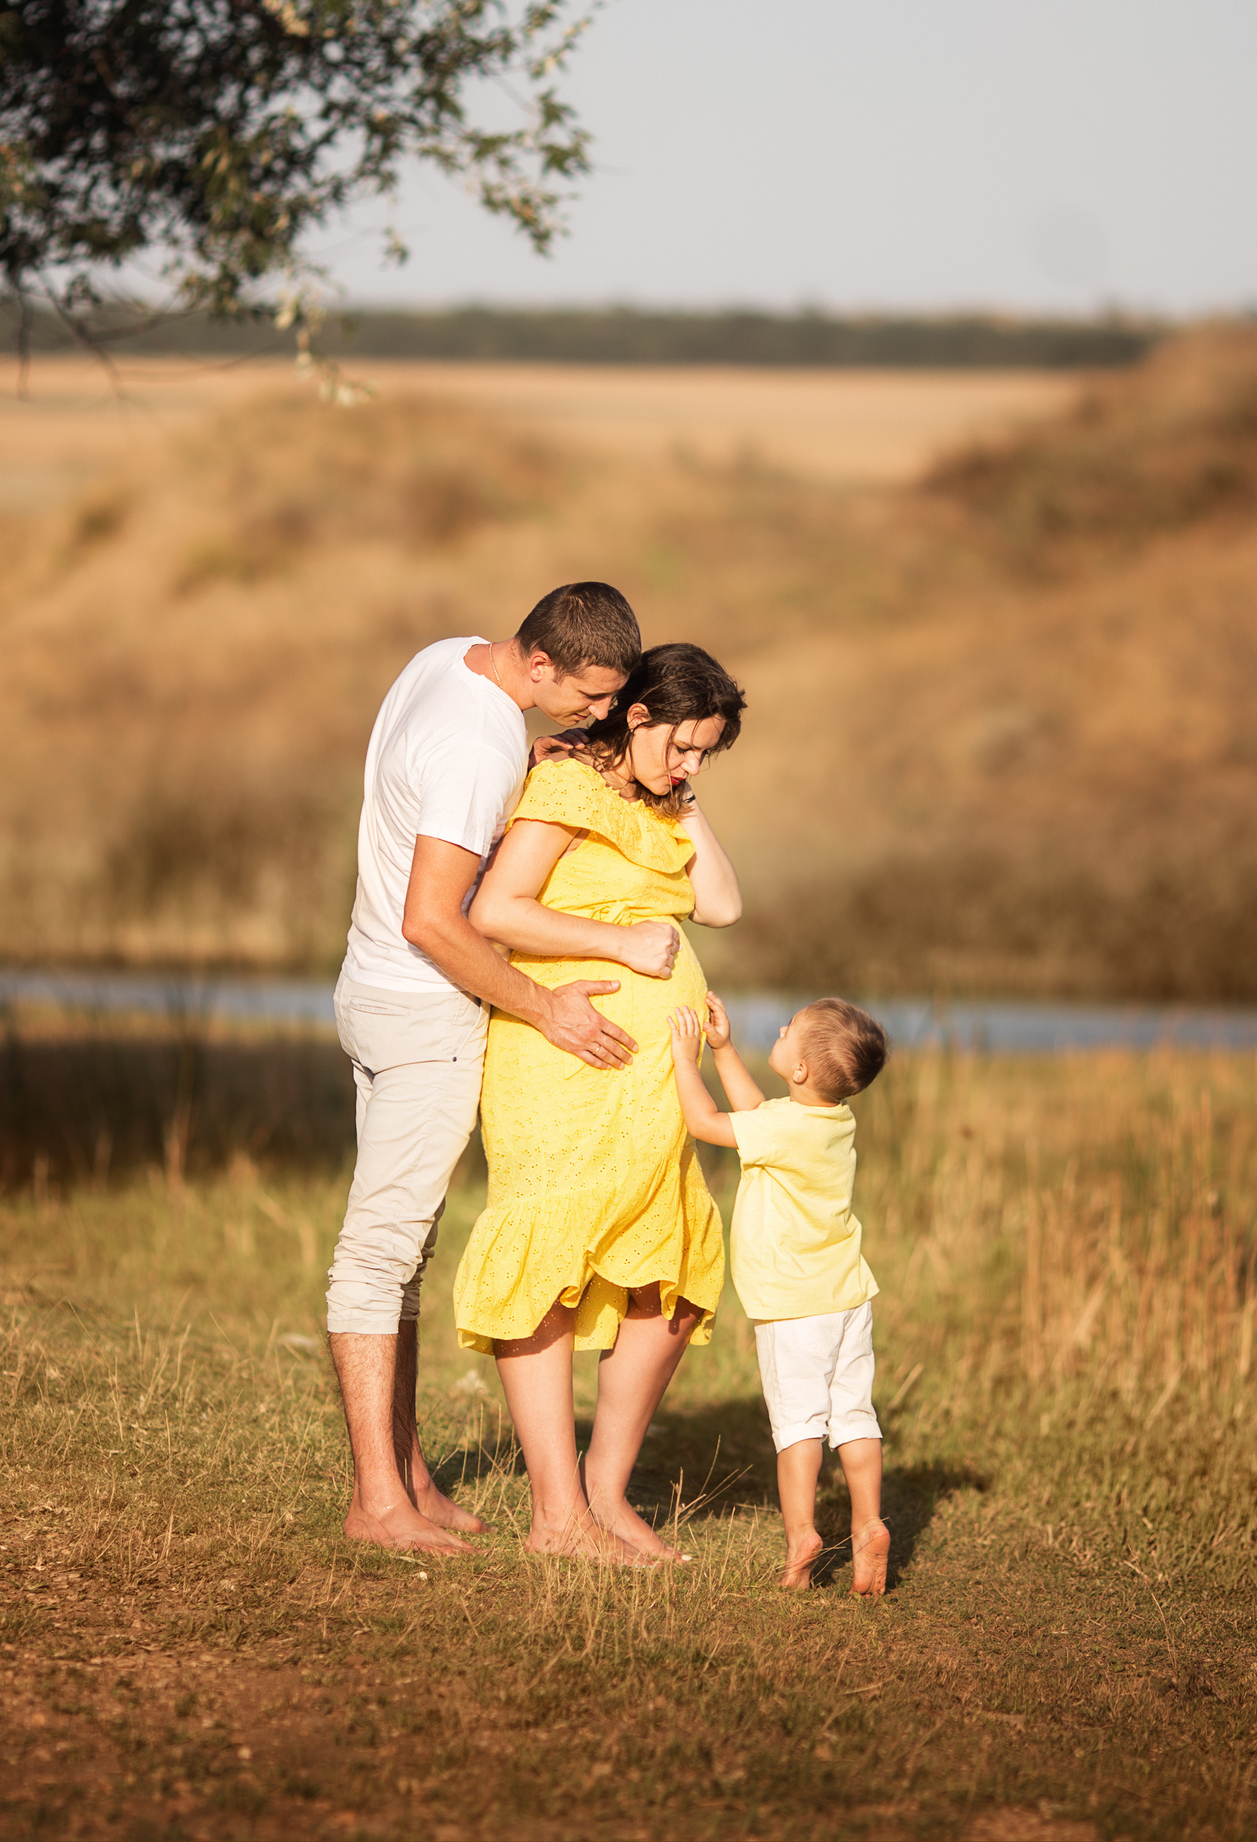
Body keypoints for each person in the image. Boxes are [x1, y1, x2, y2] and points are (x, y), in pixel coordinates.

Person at [324, 583, 649, 1558]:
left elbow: (436, 792)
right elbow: (435, 919)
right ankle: (377, 1504)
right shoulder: (477, 747)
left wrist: (524, 762)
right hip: (424, 1015)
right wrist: (544, 1006)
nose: (598, 717)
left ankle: (409, 1478)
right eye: (588, 699)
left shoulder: (449, 660)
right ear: (542, 664)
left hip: (366, 992)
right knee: (379, 1254)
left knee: (406, 1252)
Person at [459, 642, 749, 1563]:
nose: (691, 764)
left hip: (653, 1082)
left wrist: (682, 792)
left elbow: (722, 906)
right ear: (637, 716)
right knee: (552, 1261)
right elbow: (497, 910)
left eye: (707, 754)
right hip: (563, 1058)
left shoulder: (663, 803)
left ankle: (606, 1498)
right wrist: (622, 950)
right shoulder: (565, 790)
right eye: (685, 745)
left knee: (664, 1283)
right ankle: (556, 1517)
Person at [667, 993, 893, 1595]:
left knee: (798, 1423)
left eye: (789, 1027)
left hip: (795, 1307)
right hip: (848, 1297)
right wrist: (725, 1049)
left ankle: (801, 1534)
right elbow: (757, 1114)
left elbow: (707, 1124)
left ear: (799, 1069)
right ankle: (869, 1522)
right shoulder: (830, 1121)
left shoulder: (785, 1127)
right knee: (854, 1414)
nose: (783, 1026)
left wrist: (685, 1060)